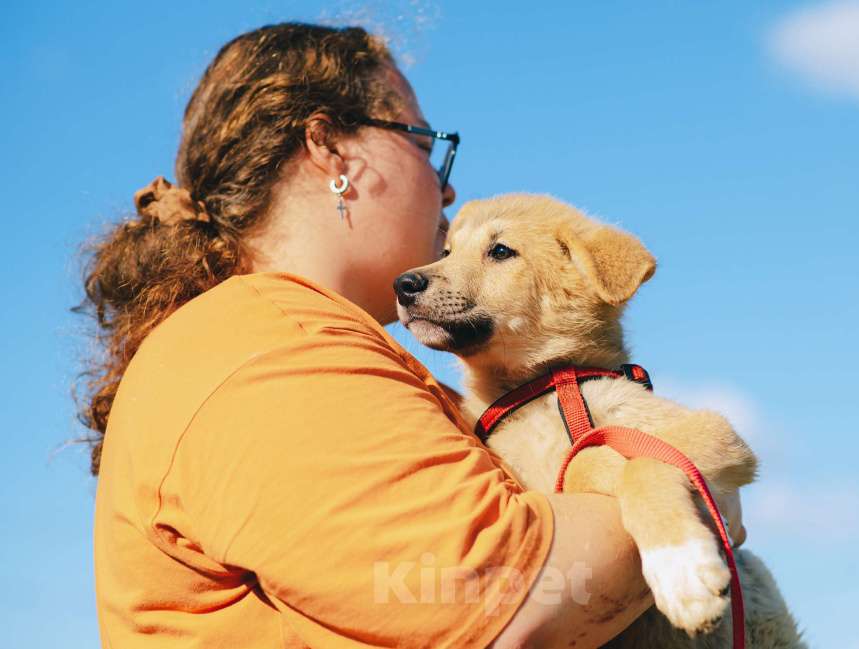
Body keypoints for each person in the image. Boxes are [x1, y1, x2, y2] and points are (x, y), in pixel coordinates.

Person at [76, 21, 745, 649]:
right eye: (426, 146)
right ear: (329, 148)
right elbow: (493, 596)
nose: (446, 191)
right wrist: (675, 488)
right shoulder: (268, 349)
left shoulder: (286, 340)